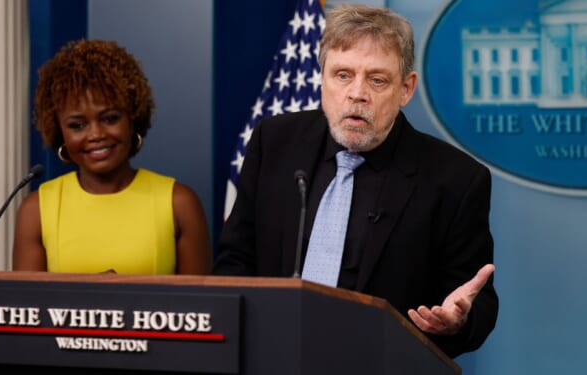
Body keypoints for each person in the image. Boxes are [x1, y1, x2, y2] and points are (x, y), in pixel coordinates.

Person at [213, 4, 497, 358]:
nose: (356, 93)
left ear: (406, 89)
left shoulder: (455, 180)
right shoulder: (275, 142)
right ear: (322, 77)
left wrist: (458, 322)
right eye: (343, 75)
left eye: (377, 80)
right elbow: (235, 259)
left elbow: (475, 300)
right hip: (272, 357)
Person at [12, 39, 212, 275]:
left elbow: (201, 308)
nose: (96, 134)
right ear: (60, 132)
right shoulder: (36, 210)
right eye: (77, 125)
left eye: (110, 119)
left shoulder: (179, 203)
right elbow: (26, 309)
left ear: (133, 118)